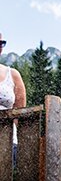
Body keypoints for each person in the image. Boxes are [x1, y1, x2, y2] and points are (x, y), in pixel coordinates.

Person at [0, 33, 27, 162]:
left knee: (7, 180)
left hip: (8, 140)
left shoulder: (13, 75)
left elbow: (19, 115)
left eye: (1, 43)